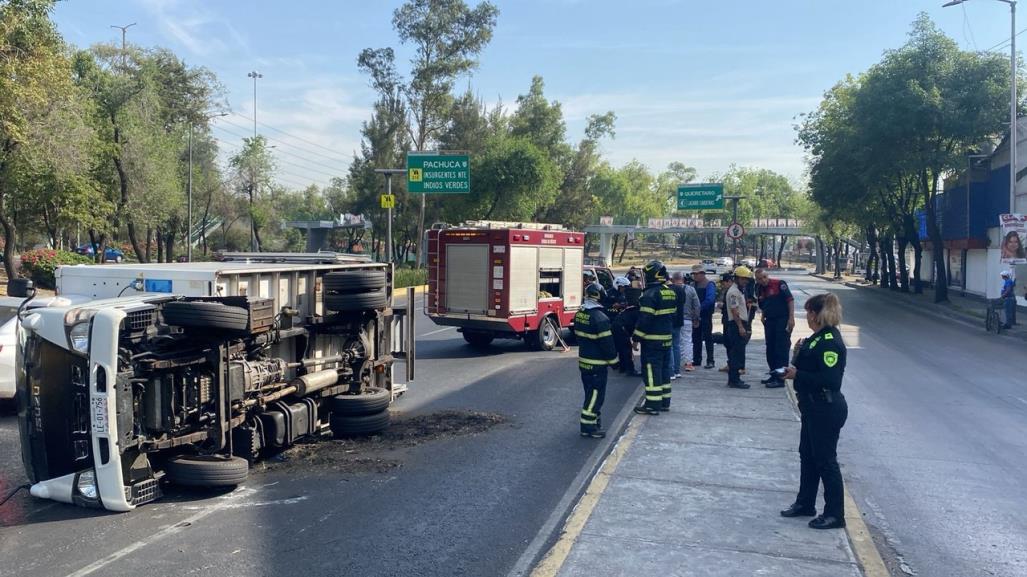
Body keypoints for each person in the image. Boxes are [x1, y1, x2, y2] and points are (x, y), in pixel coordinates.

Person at [780, 292, 848, 530]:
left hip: (825, 407)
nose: (806, 317)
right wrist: (796, 356)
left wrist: (798, 374)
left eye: (809, 312)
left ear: (819, 314)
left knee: (826, 461)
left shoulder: (830, 340)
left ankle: (835, 514)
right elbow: (804, 365)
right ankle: (805, 503)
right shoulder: (816, 338)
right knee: (807, 456)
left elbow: (830, 379)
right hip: (812, 406)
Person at [574, 283, 618, 438]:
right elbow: (607, 344)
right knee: (595, 396)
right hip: (597, 364)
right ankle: (588, 427)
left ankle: (593, 421)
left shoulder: (580, 313)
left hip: (584, 361)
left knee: (589, 393)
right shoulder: (600, 318)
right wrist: (614, 361)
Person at [632, 260, 676, 414]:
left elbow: (645, 320)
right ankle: (665, 402)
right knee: (664, 371)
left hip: (652, 342)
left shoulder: (649, 295)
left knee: (651, 372)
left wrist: (636, 337)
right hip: (666, 339)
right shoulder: (669, 291)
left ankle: (652, 404)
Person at [755, 268, 795, 388]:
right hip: (770, 321)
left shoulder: (779, 284)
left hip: (782, 320)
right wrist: (763, 315)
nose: (763, 280)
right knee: (770, 349)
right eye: (760, 279)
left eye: (764, 277)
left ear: (767, 276)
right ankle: (773, 375)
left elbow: (790, 300)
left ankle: (780, 379)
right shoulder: (759, 288)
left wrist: (791, 318)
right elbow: (763, 304)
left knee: (781, 349)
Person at [724, 266, 753, 388]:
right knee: (736, 353)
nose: (745, 281)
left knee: (738, 352)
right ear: (737, 278)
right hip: (736, 324)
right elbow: (734, 311)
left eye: (746, 279)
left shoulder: (739, 290)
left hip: (739, 323)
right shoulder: (733, 292)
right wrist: (740, 327)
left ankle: (735, 378)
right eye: (743, 279)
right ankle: (734, 380)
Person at [670, 271, 700, 374]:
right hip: (687, 319)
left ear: (673, 279)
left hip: (673, 320)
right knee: (687, 341)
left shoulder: (669, 289)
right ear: (683, 279)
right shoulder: (691, 289)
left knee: (674, 344)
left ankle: (673, 366)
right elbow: (697, 305)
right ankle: (688, 363)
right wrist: (696, 318)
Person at [611, 277, 641, 376]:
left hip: (617, 326)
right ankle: (630, 370)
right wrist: (635, 343)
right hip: (621, 328)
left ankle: (623, 368)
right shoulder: (637, 311)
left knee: (621, 348)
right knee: (626, 349)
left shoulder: (630, 308)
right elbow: (638, 327)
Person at [690, 264, 717, 369]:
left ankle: (710, 360)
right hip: (695, 315)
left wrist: (698, 309)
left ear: (702, 274)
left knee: (708, 337)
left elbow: (710, 300)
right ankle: (697, 359)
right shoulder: (692, 285)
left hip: (705, 315)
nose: (695, 276)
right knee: (696, 338)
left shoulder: (709, 284)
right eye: (694, 274)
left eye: (697, 274)